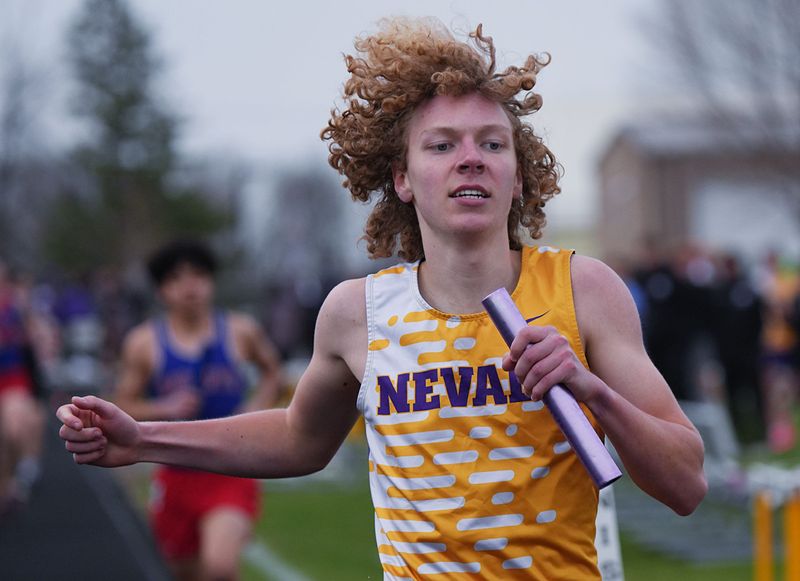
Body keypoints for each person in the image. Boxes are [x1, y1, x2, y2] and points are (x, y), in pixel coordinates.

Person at [57, 19, 707, 580]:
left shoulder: (581, 288)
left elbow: (686, 482)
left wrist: (593, 391)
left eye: (492, 143)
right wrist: (142, 438)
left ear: (518, 173)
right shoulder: (355, 312)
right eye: (442, 144)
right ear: (401, 177)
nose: (471, 158)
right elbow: (297, 437)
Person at [111, 240, 284, 580]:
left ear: (212, 282)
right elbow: (120, 404)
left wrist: (254, 409)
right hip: (176, 473)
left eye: (199, 275)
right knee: (184, 573)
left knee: (220, 568)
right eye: (178, 278)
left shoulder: (239, 330)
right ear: (162, 290)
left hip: (230, 469)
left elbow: (273, 372)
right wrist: (162, 406)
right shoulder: (144, 342)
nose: (190, 286)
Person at [0, 261, 45, 515]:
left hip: (13, 378)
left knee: (13, 429)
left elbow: (37, 336)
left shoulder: (16, 308)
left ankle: (22, 472)